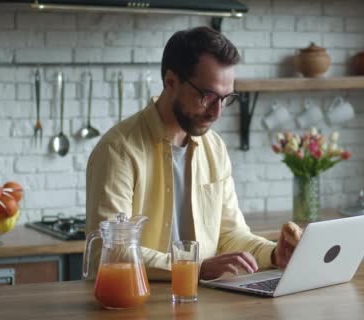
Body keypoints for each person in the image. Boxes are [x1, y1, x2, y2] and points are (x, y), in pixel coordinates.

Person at [86, 26, 300, 281]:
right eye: (207, 96)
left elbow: (230, 235)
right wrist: (194, 268)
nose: (216, 112)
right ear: (171, 82)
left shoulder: (215, 148)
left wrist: (275, 254)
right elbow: (109, 251)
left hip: (201, 303)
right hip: (136, 305)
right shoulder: (119, 150)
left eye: (225, 98)